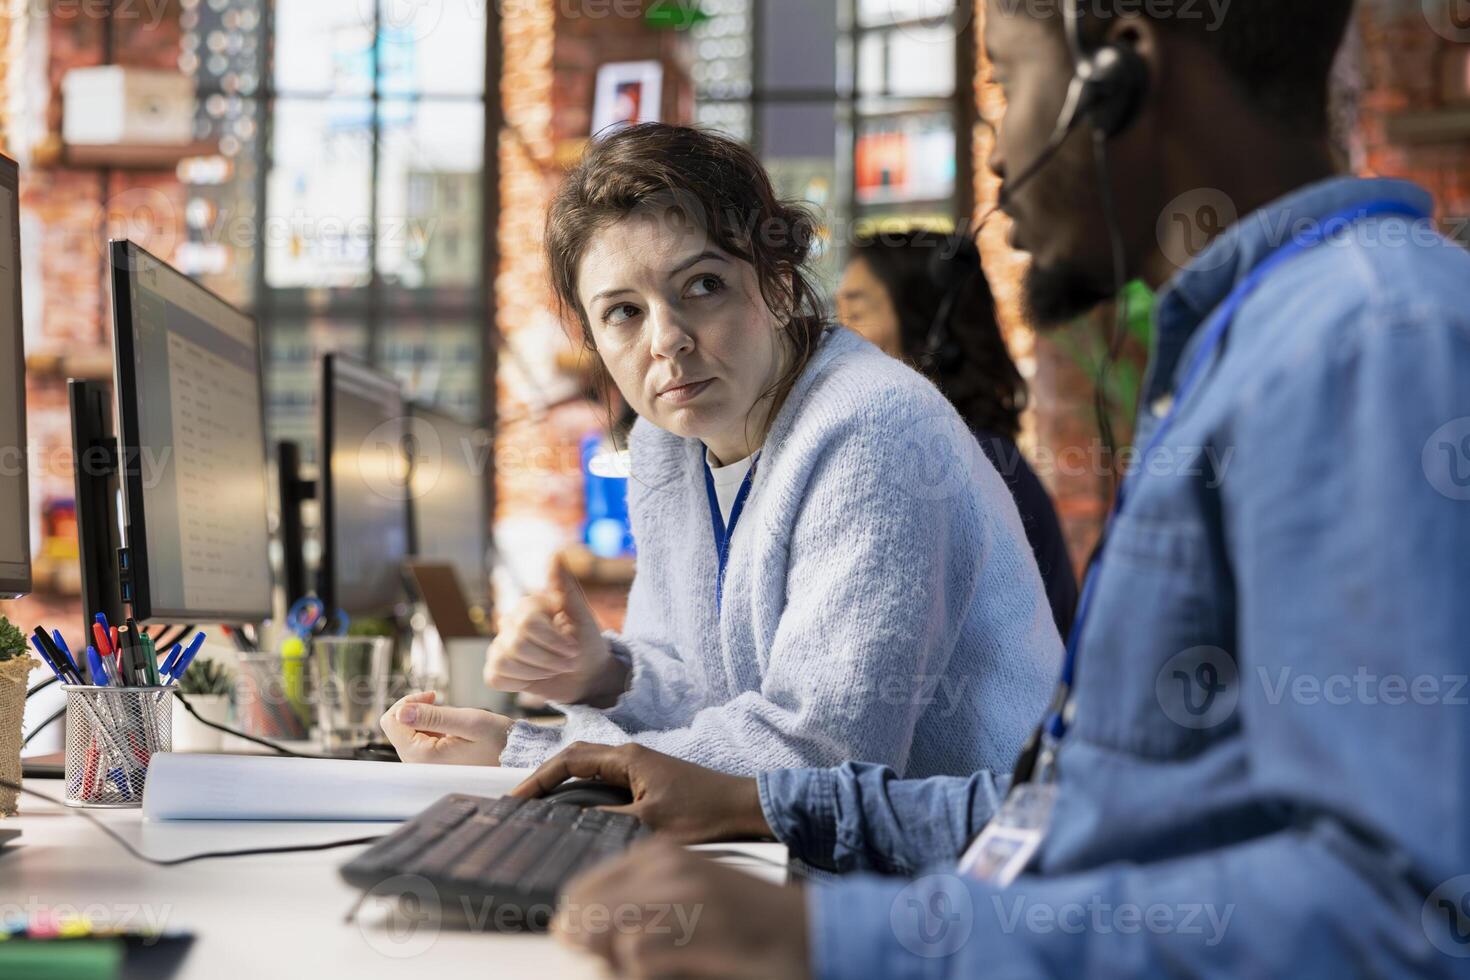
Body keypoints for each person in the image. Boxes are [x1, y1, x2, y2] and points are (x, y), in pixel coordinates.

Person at [506, 1, 1470, 976]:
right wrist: (768, 802)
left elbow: (1400, 916)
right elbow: (1084, 809)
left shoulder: (1370, 342)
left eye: (1007, 82)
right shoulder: (1258, 348)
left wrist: (830, 940)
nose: (1001, 158)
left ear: (1117, 73)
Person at [380, 123, 1062, 779]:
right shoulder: (666, 444)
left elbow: (820, 756)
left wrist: (536, 752)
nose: (666, 340)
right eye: (624, 311)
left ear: (778, 283)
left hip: (971, 872)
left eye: (703, 285)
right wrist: (606, 674)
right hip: (811, 856)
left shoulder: (875, 428)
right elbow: (709, 691)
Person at [837, 230, 1078, 636]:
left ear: (929, 333)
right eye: (836, 312)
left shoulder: (959, 467)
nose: (836, 335)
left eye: (856, 314)